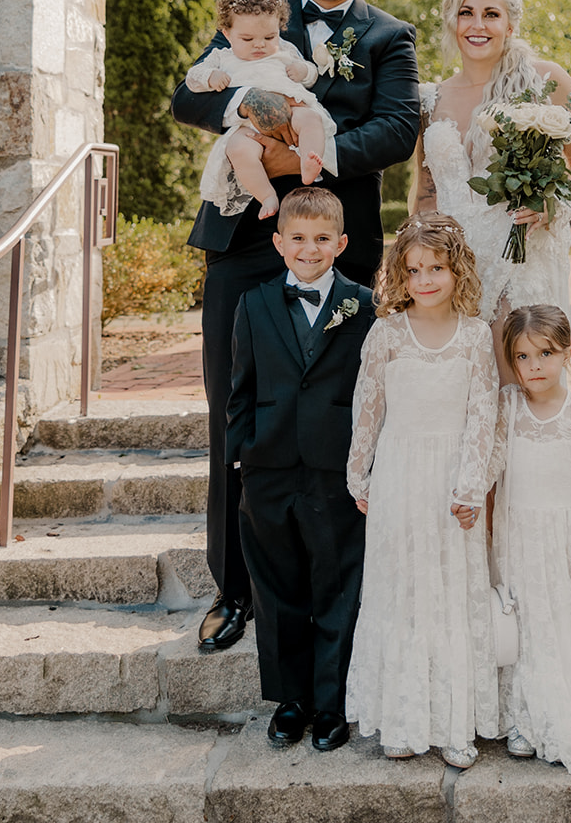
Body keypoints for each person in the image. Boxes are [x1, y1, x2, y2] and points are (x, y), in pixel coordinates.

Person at [172, 0, 419, 653]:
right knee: (233, 410)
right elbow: (187, 95)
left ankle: (333, 588)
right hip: (243, 239)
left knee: (336, 412)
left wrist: (302, 156)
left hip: (337, 243)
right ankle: (233, 589)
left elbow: (398, 127)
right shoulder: (254, 13)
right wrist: (249, 117)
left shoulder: (387, 35)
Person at [345, 213, 499, 770]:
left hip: (452, 482)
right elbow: (368, 408)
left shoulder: (477, 336)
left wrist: (471, 484)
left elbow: (484, 415)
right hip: (399, 477)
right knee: (402, 592)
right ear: (400, 277)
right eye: (414, 271)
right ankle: (405, 718)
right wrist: (357, 474)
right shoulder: (386, 333)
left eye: (437, 268)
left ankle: (455, 724)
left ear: (456, 270)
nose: (426, 279)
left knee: (452, 594)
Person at [225, 186, 374, 752]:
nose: (308, 249)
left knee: (337, 586)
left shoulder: (363, 305)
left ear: (340, 242)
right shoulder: (254, 303)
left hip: (335, 469)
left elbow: (371, 393)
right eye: (297, 239)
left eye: (320, 239)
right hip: (268, 468)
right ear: (278, 242)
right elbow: (240, 390)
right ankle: (290, 701)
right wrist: (243, 456)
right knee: (278, 589)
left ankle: (332, 702)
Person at [413, 0, 571, 380]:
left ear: (510, 24)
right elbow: (427, 193)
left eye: (491, 14)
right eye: (466, 13)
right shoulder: (431, 99)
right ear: (452, 21)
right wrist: (419, 261)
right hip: (455, 267)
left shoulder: (546, 81)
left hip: (520, 258)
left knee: (521, 382)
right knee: (465, 391)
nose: (477, 25)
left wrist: (554, 205)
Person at [491, 304, 571, 771]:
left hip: (564, 540)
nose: (534, 366)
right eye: (522, 357)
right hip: (517, 535)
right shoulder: (508, 406)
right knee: (523, 625)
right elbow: (491, 465)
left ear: (567, 353)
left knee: (558, 625)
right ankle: (522, 716)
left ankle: (558, 712)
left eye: (545, 354)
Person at [186, 0, 337, 219]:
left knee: (310, 119)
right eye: (247, 39)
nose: (259, 45)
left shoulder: (285, 50)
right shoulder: (221, 57)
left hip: (292, 107)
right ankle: (266, 195)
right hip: (246, 126)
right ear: (227, 34)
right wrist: (211, 77)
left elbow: (309, 73)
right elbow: (192, 79)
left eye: (269, 37)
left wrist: (303, 71)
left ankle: (309, 161)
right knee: (238, 149)